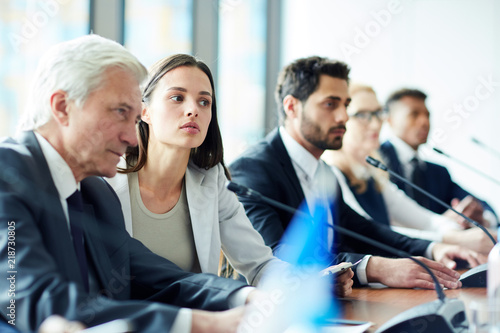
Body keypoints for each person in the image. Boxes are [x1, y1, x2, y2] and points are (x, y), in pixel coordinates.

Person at [0, 34, 252, 333]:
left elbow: (153, 274)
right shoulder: (7, 176)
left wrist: (244, 296)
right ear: (63, 106)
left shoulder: (96, 192)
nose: (132, 138)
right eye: (120, 112)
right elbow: (27, 298)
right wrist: (200, 323)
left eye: (135, 119)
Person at [106, 54, 353, 296]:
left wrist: (311, 283)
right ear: (144, 111)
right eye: (177, 98)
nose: (193, 110)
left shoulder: (212, 181)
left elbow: (259, 265)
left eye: (204, 102)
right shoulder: (106, 179)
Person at [229, 56, 485, 290]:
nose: (343, 117)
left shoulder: (322, 170)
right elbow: (276, 256)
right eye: (330, 104)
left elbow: (365, 230)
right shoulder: (253, 168)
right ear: (291, 106)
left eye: (346, 104)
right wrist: (373, 267)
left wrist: (433, 248)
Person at [322, 84, 494, 255]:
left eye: (377, 113)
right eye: (362, 115)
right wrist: (452, 240)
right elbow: (372, 232)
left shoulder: (372, 173)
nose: (375, 124)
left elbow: (427, 220)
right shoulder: (332, 172)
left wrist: (462, 231)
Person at [380, 88, 498, 228]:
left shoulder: (438, 173)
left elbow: (483, 206)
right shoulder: (375, 160)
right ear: (390, 119)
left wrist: (480, 217)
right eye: (414, 114)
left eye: (427, 115)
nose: (424, 121)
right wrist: (442, 222)